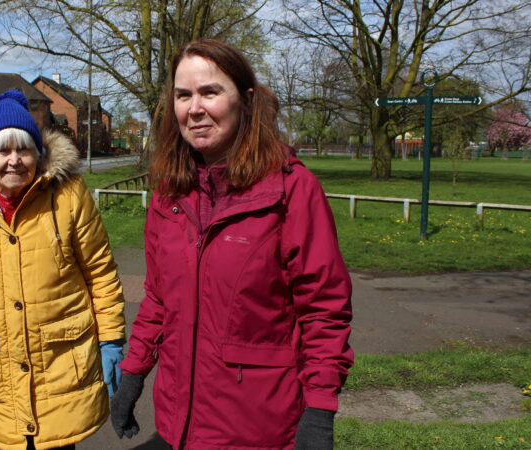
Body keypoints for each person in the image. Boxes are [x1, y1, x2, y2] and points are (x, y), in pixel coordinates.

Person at [109, 40, 353, 449]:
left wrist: (320, 408)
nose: (194, 108)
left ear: (246, 99)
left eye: (210, 91)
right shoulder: (168, 195)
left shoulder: (291, 189)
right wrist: (134, 373)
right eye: (183, 95)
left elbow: (323, 308)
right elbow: (158, 299)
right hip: (178, 419)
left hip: (256, 425)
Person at [0, 90, 126, 450]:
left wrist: (111, 338)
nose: (14, 161)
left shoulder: (68, 195)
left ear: (37, 154)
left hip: (61, 363)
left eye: (23, 149)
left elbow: (100, 272)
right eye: (2, 150)